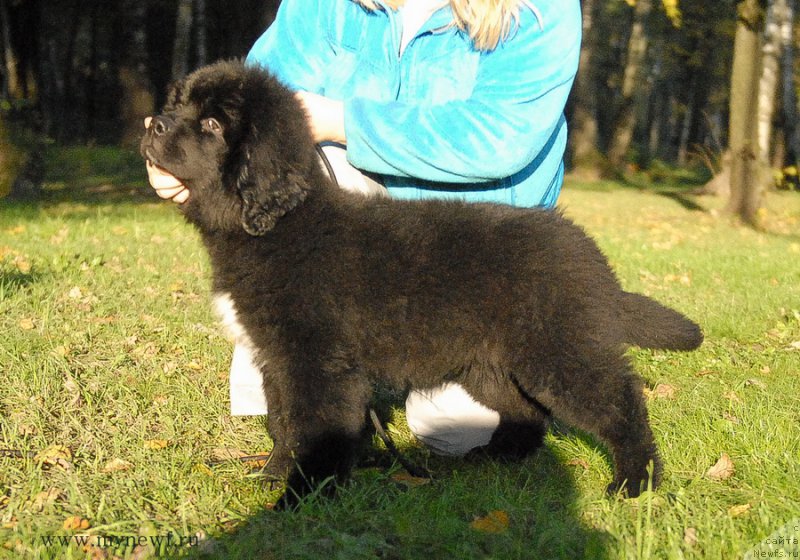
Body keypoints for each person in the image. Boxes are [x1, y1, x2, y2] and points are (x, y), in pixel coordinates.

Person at [146, 0, 582, 457]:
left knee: (454, 431)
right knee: (289, 180)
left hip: (473, 253)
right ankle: (299, 366)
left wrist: (342, 121)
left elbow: (501, 137)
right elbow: (251, 99)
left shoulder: (541, 9)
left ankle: (372, 370)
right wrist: (178, 157)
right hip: (357, 226)